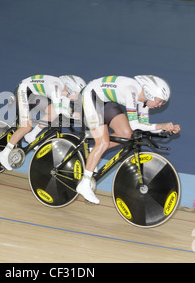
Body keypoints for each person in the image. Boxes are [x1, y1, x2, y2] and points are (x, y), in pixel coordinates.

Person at [77, 75, 181, 204]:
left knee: (126, 134)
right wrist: (161, 125)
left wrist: (165, 129)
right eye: (159, 101)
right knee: (103, 142)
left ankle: (94, 152)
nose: (160, 105)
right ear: (149, 93)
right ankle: (84, 183)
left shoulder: (144, 101)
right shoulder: (131, 91)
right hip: (91, 95)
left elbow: (143, 126)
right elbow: (134, 124)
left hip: (105, 100)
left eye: (162, 103)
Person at [0, 74, 86, 171]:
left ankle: (31, 136)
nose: (78, 99)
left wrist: (78, 116)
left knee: (53, 112)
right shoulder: (56, 85)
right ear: (71, 88)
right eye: (78, 95)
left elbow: (64, 110)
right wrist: (74, 115)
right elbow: (60, 108)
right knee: (26, 127)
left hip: (34, 94)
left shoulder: (65, 93)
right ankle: (4, 154)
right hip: (24, 91)